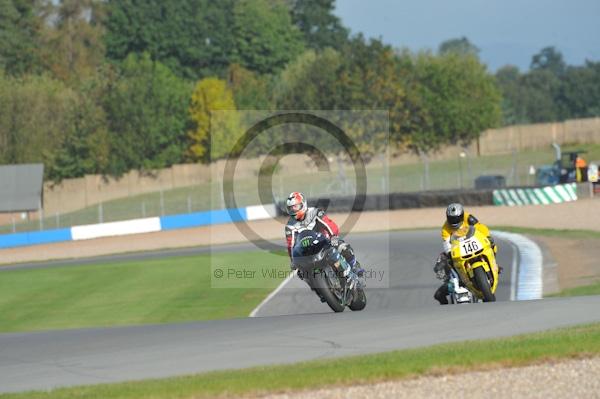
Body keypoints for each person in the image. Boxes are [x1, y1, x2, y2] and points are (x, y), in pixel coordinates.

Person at [433, 203, 500, 305]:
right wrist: (450, 253)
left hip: (473, 243)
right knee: (438, 295)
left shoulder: (468, 217)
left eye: (456, 218)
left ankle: (494, 265)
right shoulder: (445, 229)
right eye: (451, 219)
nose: (454, 221)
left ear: (462, 215)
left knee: (492, 246)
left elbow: (480, 227)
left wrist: (487, 236)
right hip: (459, 251)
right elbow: (446, 243)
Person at [285, 192, 363, 279]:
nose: (293, 210)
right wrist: (293, 260)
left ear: (303, 204)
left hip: (325, 241)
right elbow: (291, 245)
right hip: (308, 250)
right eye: (291, 208)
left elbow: (329, 224)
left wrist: (333, 237)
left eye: (295, 206)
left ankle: (354, 266)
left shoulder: (315, 212)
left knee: (342, 247)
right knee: (302, 272)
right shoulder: (290, 226)